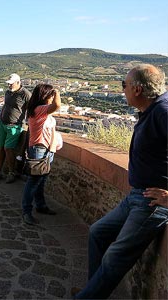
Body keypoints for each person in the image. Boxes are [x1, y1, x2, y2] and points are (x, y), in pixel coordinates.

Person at [73, 64, 168, 299]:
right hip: (137, 195)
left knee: (115, 256)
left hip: (151, 204)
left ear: (136, 89)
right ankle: (92, 290)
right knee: (98, 232)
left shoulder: (163, 112)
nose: (122, 90)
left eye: (123, 85)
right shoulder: (153, 109)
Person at [21, 84, 61, 225]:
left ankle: (41, 205)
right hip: (39, 149)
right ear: (45, 96)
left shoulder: (41, 111)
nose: (52, 98)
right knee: (33, 182)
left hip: (47, 150)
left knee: (41, 181)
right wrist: (57, 91)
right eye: (50, 95)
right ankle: (26, 211)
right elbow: (57, 105)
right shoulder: (39, 110)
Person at [0, 73, 31, 183]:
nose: (9, 86)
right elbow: (6, 105)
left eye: (11, 84)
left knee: (8, 148)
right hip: (3, 123)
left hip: (15, 126)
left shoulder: (26, 94)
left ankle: (11, 172)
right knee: (1, 147)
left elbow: (30, 110)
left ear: (18, 82)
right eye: (8, 84)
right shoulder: (8, 92)